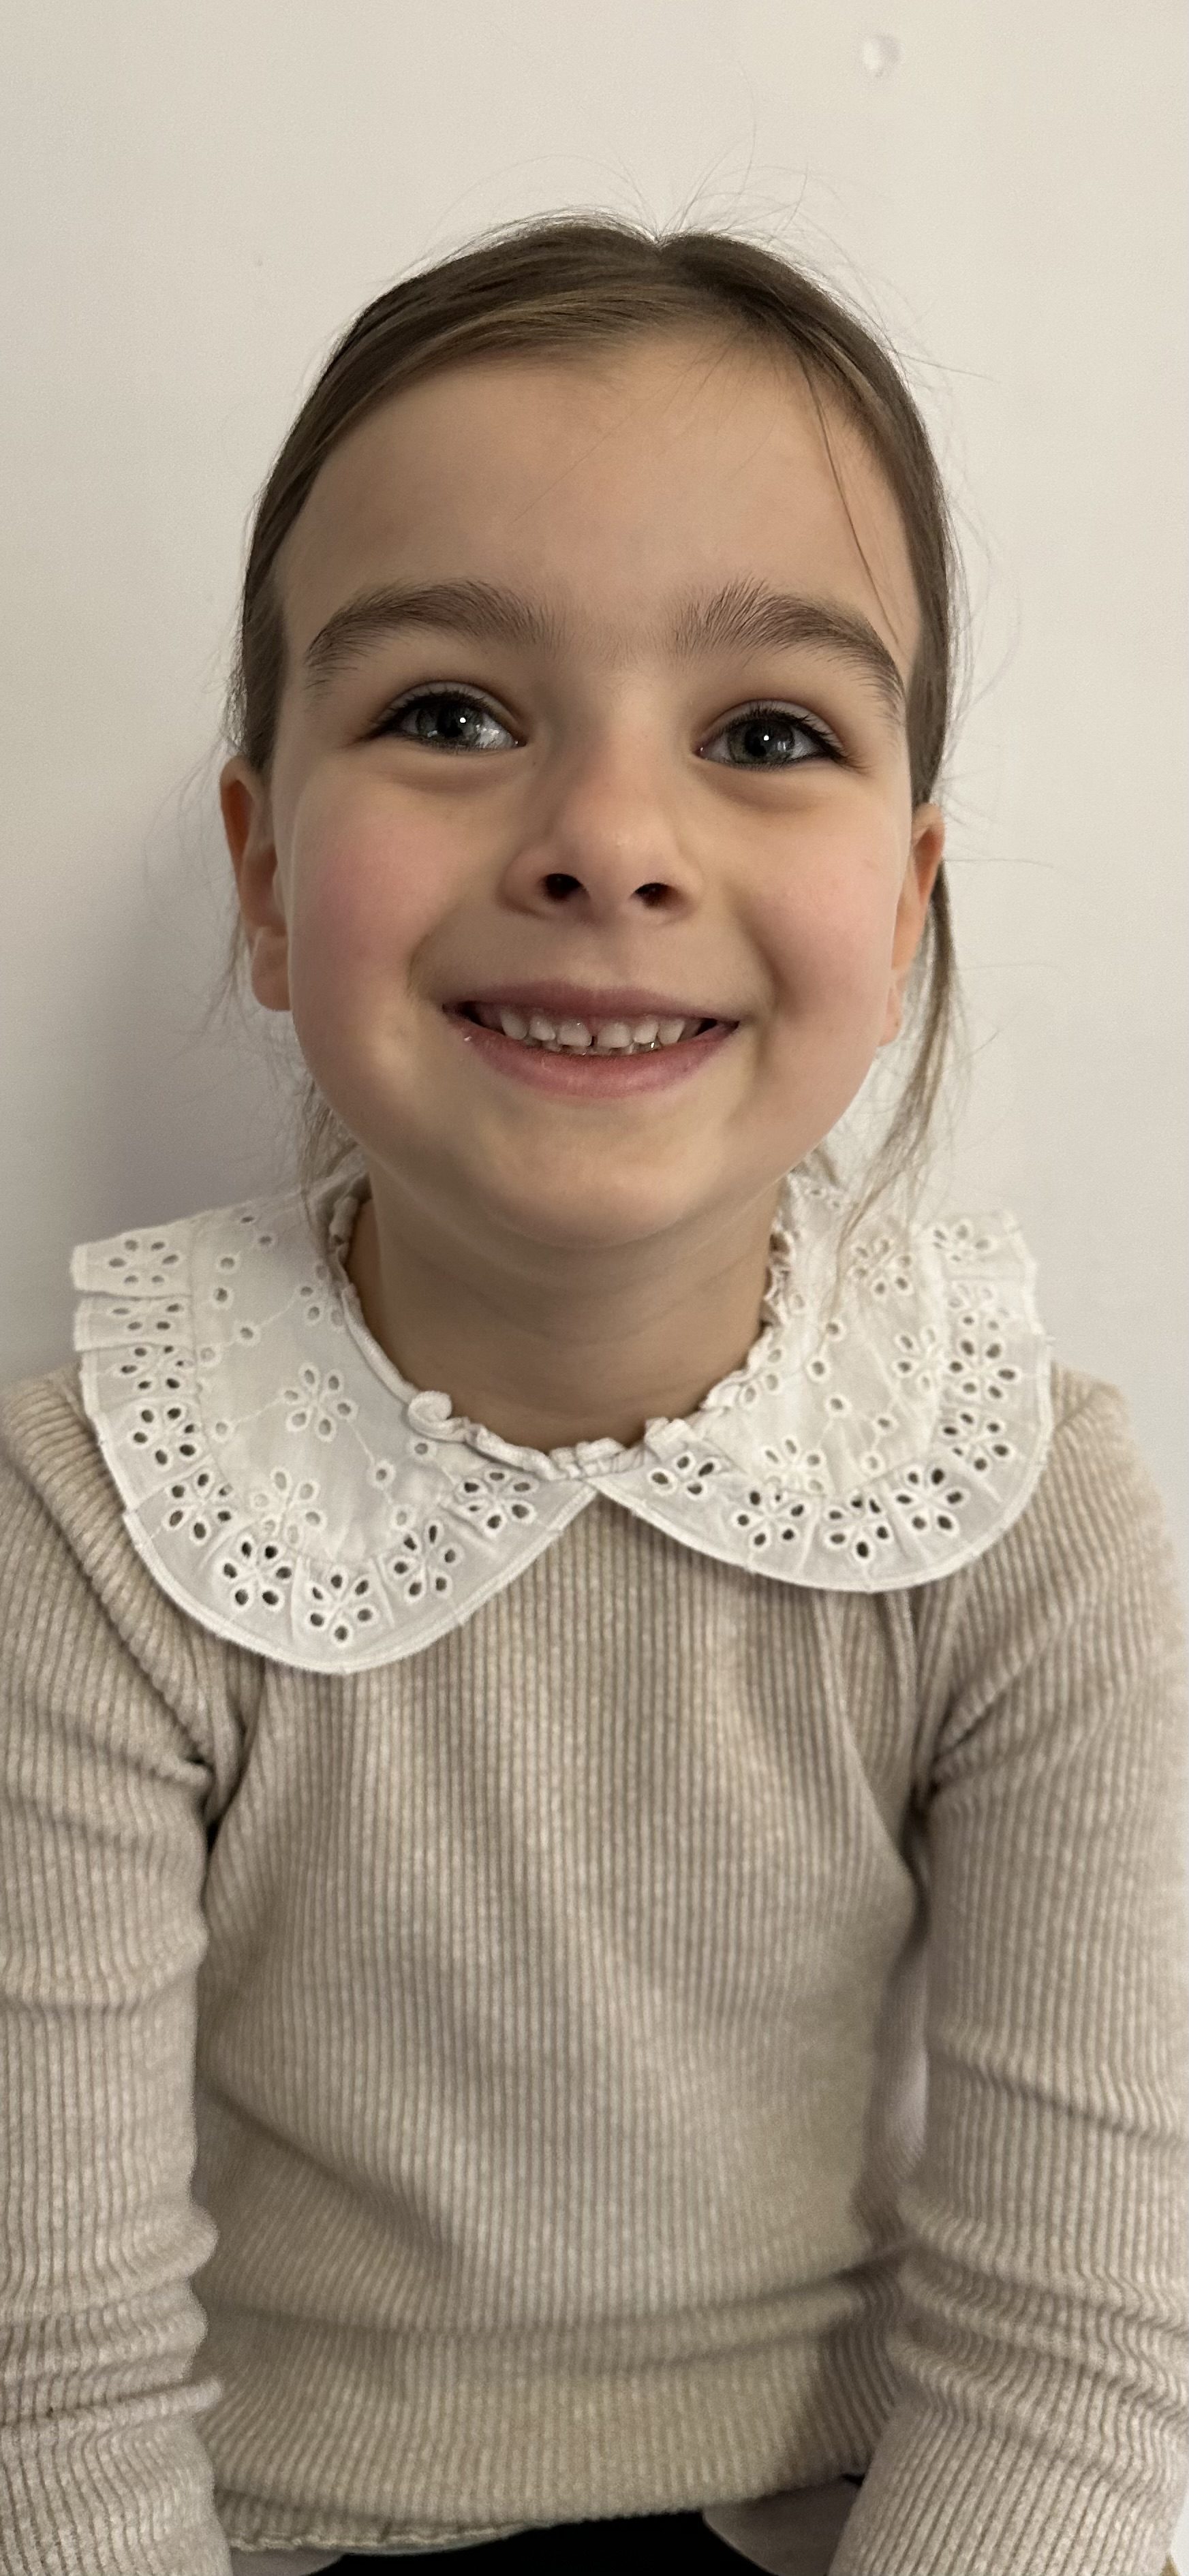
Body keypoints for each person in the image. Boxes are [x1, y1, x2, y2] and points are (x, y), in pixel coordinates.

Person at [1, 214, 1185, 2576]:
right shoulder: (93, 1517)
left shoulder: (1027, 1509)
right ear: (264, 870)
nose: (610, 848)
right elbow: (52, 2402)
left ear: (904, 906)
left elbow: (1081, 2363)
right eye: (450, 712)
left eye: (766, 735)